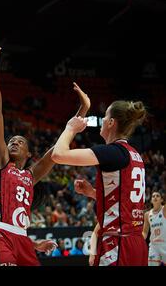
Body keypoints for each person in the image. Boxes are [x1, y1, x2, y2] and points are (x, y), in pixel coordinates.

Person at [0, 38, 89, 266]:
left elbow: (60, 145)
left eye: (20, 142)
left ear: (30, 154)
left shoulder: (31, 175)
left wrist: (83, 109)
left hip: (22, 238)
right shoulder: (0, 162)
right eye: (12, 141)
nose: (14, 143)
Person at [52, 100, 148, 266]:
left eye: (105, 116)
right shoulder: (135, 155)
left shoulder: (112, 152)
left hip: (118, 243)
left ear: (111, 122)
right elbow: (125, 201)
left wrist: (70, 128)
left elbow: (58, 155)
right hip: (136, 243)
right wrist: (92, 193)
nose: (102, 120)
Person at [142, 191, 166, 266]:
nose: (155, 197)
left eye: (157, 196)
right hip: (154, 246)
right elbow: (145, 232)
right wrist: (138, 238)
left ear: (161, 200)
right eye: (153, 196)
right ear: (151, 200)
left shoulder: (164, 210)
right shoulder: (147, 214)